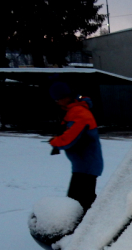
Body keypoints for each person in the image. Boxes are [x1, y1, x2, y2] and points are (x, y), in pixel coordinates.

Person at [48, 82, 103, 212]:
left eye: (58, 99)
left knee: (77, 203)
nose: (57, 103)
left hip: (87, 165)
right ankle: (89, 224)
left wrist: (55, 142)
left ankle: (86, 227)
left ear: (65, 97)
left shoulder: (79, 113)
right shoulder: (73, 111)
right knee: (81, 201)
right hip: (83, 165)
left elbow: (69, 138)